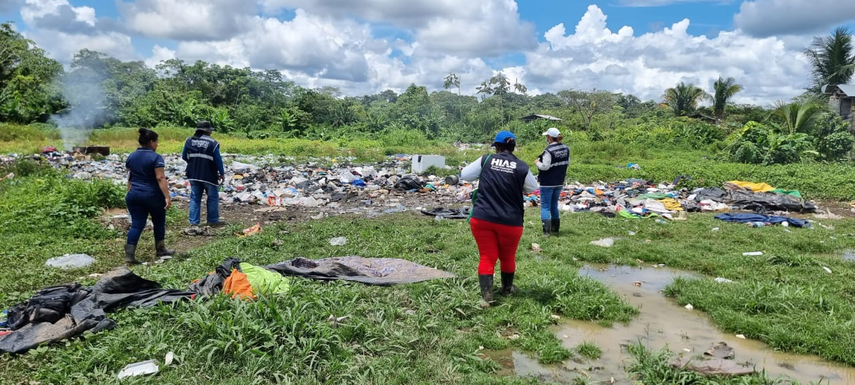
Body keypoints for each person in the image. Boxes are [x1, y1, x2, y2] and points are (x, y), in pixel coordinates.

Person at [460, 131, 538, 307]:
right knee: (508, 256)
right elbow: (532, 188)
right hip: (511, 221)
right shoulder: (522, 166)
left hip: (483, 218)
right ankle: (507, 289)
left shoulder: (486, 160)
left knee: (487, 257)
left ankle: (487, 297)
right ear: (513, 147)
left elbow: (465, 175)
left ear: (497, 146)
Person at [124, 128, 174, 265]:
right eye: (156, 142)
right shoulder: (156, 157)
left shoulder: (131, 156)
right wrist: (167, 197)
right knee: (159, 222)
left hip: (134, 195)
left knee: (137, 225)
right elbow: (160, 177)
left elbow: (129, 176)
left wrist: (130, 189)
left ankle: (130, 255)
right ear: (151, 142)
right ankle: (160, 249)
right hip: (152, 195)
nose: (157, 144)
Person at [182, 121, 226, 227]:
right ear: (208, 131)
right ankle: (213, 220)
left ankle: (193, 222)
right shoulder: (212, 143)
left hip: (193, 174)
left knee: (195, 198)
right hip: (209, 175)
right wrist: (222, 173)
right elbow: (218, 160)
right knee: (212, 197)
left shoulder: (189, 140)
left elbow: (184, 156)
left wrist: (192, 163)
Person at [535, 127, 570, 236]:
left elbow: (545, 167)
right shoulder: (566, 148)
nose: (546, 138)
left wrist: (537, 162)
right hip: (559, 181)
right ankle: (555, 229)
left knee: (545, 206)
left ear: (550, 137)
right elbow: (567, 163)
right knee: (554, 205)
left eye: (547, 136)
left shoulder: (548, 151)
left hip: (547, 182)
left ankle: (546, 232)